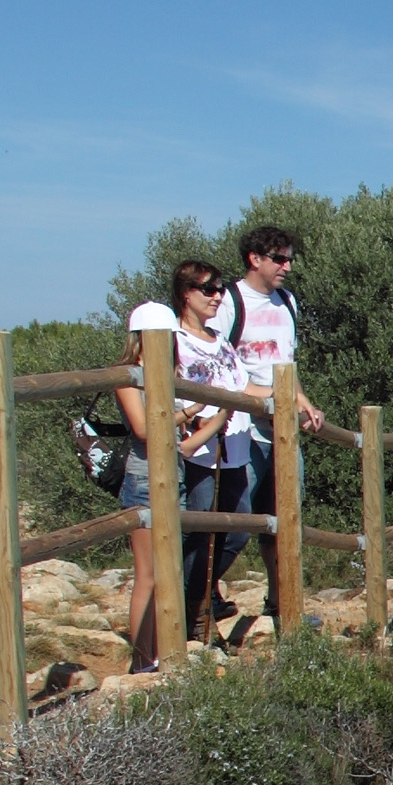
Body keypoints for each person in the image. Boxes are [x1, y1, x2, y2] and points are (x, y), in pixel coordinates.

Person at [112, 263, 270, 671]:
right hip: (146, 474)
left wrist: (211, 414)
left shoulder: (171, 372)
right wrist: (196, 411)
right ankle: (143, 659)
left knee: (165, 568)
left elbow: (175, 437)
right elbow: (147, 429)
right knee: (150, 573)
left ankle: (161, 647)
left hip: (173, 473)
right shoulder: (129, 377)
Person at [205, 224, 324, 638]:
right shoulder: (229, 302)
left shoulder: (287, 302)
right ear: (254, 259)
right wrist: (268, 399)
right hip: (240, 428)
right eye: (279, 258)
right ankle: (197, 600)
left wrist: (303, 402)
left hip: (283, 428)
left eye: (289, 259)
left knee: (285, 517)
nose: (287, 267)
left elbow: (286, 366)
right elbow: (217, 367)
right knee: (237, 521)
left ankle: (282, 603)